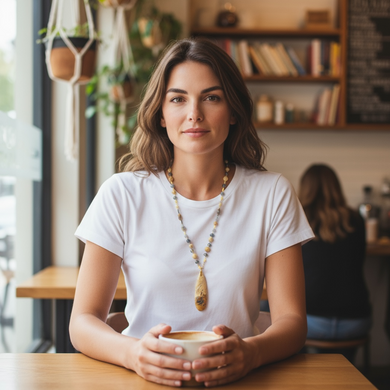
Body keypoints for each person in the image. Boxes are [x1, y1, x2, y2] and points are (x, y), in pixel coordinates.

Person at [69, 37, 314, 388]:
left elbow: (292, 321)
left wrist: (252, 353)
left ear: (233, 111)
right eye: (178, 99)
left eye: (211, 97)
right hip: (140, 380)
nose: (194, 113)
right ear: (161, 113)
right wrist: (132, 354)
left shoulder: (272, 194)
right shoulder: (121, 194)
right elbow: (82, 321)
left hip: (239, 380)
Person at [298, 164, 372, 361]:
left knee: (266, 304)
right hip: (355, 321)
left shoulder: (297, 219)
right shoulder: (356, 219)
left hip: (310, 322)